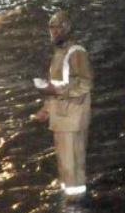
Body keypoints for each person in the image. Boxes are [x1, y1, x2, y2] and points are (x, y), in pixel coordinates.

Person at [34, 11, 93, 197]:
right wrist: (46, 109)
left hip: (72, 117)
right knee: (65, 163)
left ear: (67, 28)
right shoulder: (59, 54)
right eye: (51, 27)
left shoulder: (77, 53)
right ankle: (69, 197)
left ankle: (76, 205)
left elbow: (85, 83)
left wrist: (58, 92)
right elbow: (58, 85)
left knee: (72, 163)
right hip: (61, 117)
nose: (54, 31)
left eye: (58, 27)